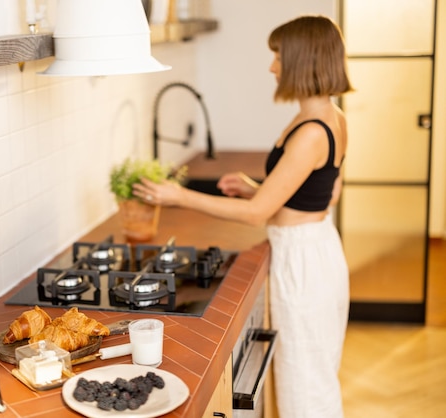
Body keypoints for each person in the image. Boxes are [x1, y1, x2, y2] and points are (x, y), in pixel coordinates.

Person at [133, 15, 353, 418]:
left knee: (305, 388)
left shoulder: (311, 131)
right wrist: (260, 188)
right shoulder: (331, 117)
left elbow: (257, 214)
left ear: (303, 61)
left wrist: (179, 195)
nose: (272, 67)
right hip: (316, 249)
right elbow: (326, 193)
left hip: (304, 262)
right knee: (314, 377)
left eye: (278, 56)